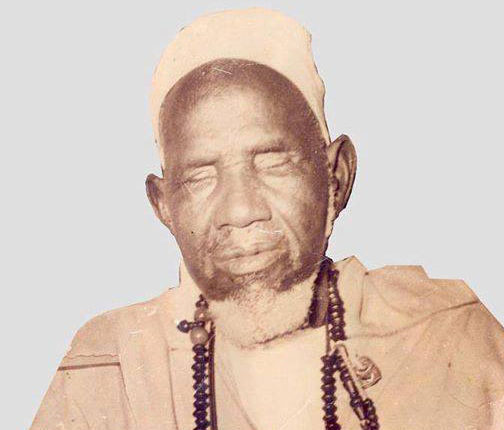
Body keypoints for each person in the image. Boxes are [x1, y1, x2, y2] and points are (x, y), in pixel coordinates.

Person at [31, 8, 504, 430]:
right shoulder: (107, 366)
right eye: (200, 177)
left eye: (273, 163)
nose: (241, 211)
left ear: (336, 177)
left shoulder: (449, 335)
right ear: (164, 206)